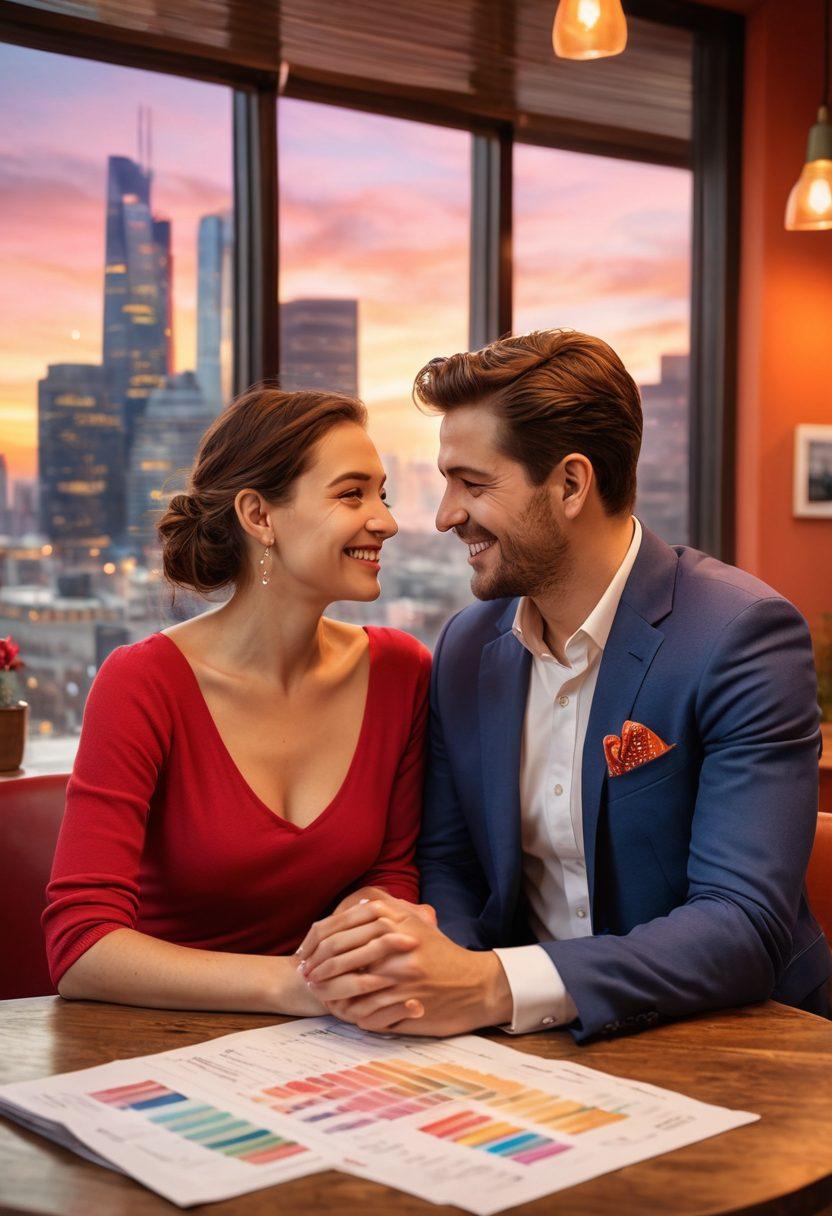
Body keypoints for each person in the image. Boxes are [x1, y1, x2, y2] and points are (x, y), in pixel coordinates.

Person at [296, 329, 831, 1041]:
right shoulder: (464, 646)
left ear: (572, 484)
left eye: (473, 483)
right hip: (531, 1050)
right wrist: (438, 972)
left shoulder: (742, 636)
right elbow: (450, 863)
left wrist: (495, 985)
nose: (444, 514)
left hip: (746, 1040)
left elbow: (743, 924)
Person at [43, 387, 432, 1019]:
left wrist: (365, 937)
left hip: (337, 1038)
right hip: (154, 1039)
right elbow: (82, 947)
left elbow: (391, 875)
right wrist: (300, 986)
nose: (385, 520)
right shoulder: (143, 683)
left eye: (382, 493)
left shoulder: (402, 672)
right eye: (350, 493)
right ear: (259, 516)